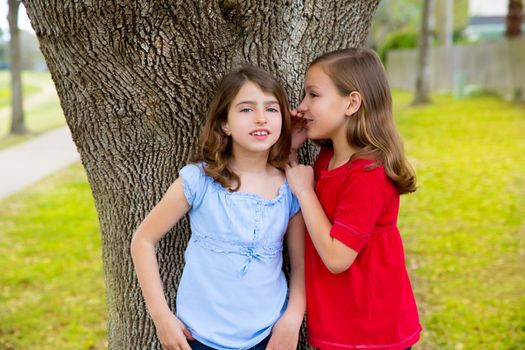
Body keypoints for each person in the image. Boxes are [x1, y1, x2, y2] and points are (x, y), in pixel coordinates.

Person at [131, 65, 305, 350]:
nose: (261, 118)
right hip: (200, 336)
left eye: (272, 109)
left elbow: (300, 263)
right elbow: (143, 240)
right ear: (225, 123)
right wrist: (161, 317)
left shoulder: (290, 187)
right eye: (246, 110)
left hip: (269, 335)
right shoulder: (200, 180)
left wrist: (293, 318)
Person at [285, 47, 421, 350]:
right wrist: (291, 149)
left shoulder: (368, 173)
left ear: (352, 103)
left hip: (372, 332)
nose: (302, 106)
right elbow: (298, 190)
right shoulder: (327, 158)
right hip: (339, 324)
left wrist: (306, 192)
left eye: (313, 95)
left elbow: (336, 258)